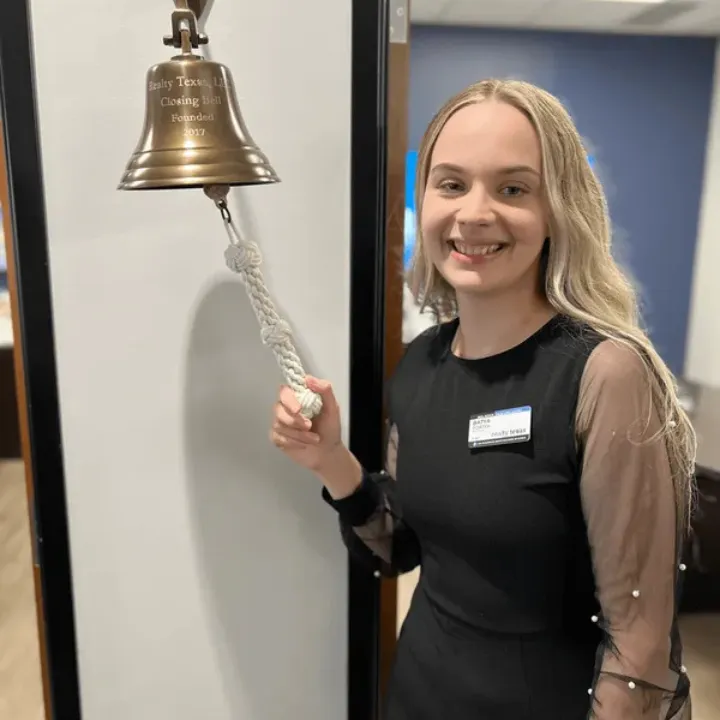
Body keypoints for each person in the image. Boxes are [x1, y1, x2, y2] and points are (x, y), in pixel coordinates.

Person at [269, 79, 696, 719]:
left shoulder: (605, 374)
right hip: (420, 696)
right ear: (426, 200)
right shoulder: (421, 364)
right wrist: (331, 459)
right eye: (451, 184)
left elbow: (639, 645)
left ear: (557, 211)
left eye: (513, 189)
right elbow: (401, 548)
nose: (474, 213)